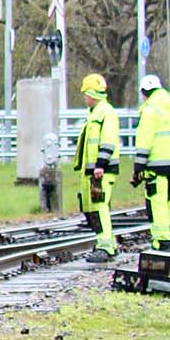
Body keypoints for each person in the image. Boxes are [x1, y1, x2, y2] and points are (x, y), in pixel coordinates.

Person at [133, 73, 170, 251]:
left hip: (154, 168)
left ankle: (161, 242)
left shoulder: (150, 112)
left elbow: (144, 142)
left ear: (145, 93)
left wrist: (138, 167)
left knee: (157, 205)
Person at [73, 73, 121, 262]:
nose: (84, 97)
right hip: (93, 171)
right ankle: (108, 243)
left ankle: (105, 247)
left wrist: (100, 165)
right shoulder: (97, 113)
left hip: (100, 171)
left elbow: (108, 141)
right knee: (95, 208)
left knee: (100, 208)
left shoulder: (105, 113)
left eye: (85, 94)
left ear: (92, 94)